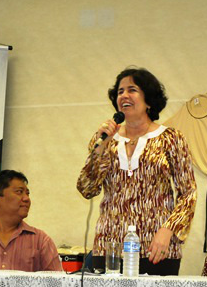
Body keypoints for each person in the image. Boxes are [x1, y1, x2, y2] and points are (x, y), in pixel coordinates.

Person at [77, 67, 197, 276]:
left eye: (131, 90)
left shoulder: (171, 138)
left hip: (157, 249)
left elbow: (188, 193)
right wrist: (100, 149)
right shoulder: (104, 139)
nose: (124, 95)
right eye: (120, 91)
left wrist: (168, 230)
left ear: (148, 100)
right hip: (109, 247)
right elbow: (87, 189)